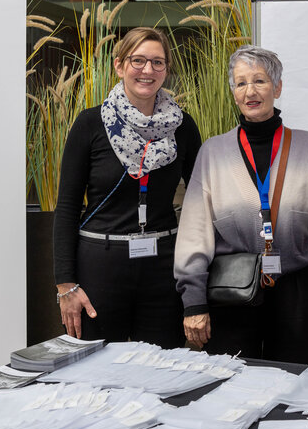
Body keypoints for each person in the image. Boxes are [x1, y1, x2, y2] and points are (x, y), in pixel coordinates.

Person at [174, 45, 308, 364]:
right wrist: (194, 301)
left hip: (297, 293)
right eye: (241, 83)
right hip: (231, 291)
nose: (250, 91)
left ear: (277, 88)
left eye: (259, 81)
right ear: (233, 93)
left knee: (294, 380)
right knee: (231, 381)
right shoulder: (213, 152)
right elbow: (193, 233)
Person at [53, 27, 201, 347]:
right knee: (97, 368)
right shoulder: (90, 124)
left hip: (163, 268)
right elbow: (66, 206)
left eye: (158, 62)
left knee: (163, 367)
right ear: (119, 66)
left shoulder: (183, 127)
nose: (148, 70)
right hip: (101, 268)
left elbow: (200, 204)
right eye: (138, 60)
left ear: (166, 70)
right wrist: (65, 285)